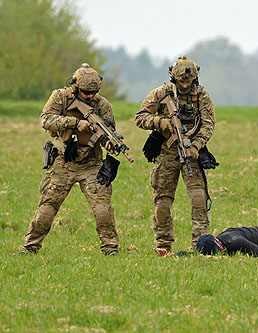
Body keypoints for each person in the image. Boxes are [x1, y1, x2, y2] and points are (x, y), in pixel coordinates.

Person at [19, 64, 120, 256]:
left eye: (93, 93)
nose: (89, 96)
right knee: (47, 208)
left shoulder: (103, 105)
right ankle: (30, 248)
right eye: (85, 92)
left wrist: (109, 144)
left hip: (91, 163)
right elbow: (46, 119)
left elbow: (109, 132)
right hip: (63, 162)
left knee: (103, 210)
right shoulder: (60, 97)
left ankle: (110, 249)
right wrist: (75, 123)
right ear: (75, 86)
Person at [135, 55, 216, 252]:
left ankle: (200, 244)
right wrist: (159, 123)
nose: (185, 84)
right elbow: (140, 117)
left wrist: (196, 146)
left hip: (191, 152)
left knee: (198, 197)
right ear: (174, 77)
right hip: (166, 152)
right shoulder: (161, 93)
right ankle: (163, 244)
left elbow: (208, 124)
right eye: (181, 81)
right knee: (163, 200)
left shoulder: (202, 95)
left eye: (188, 81)